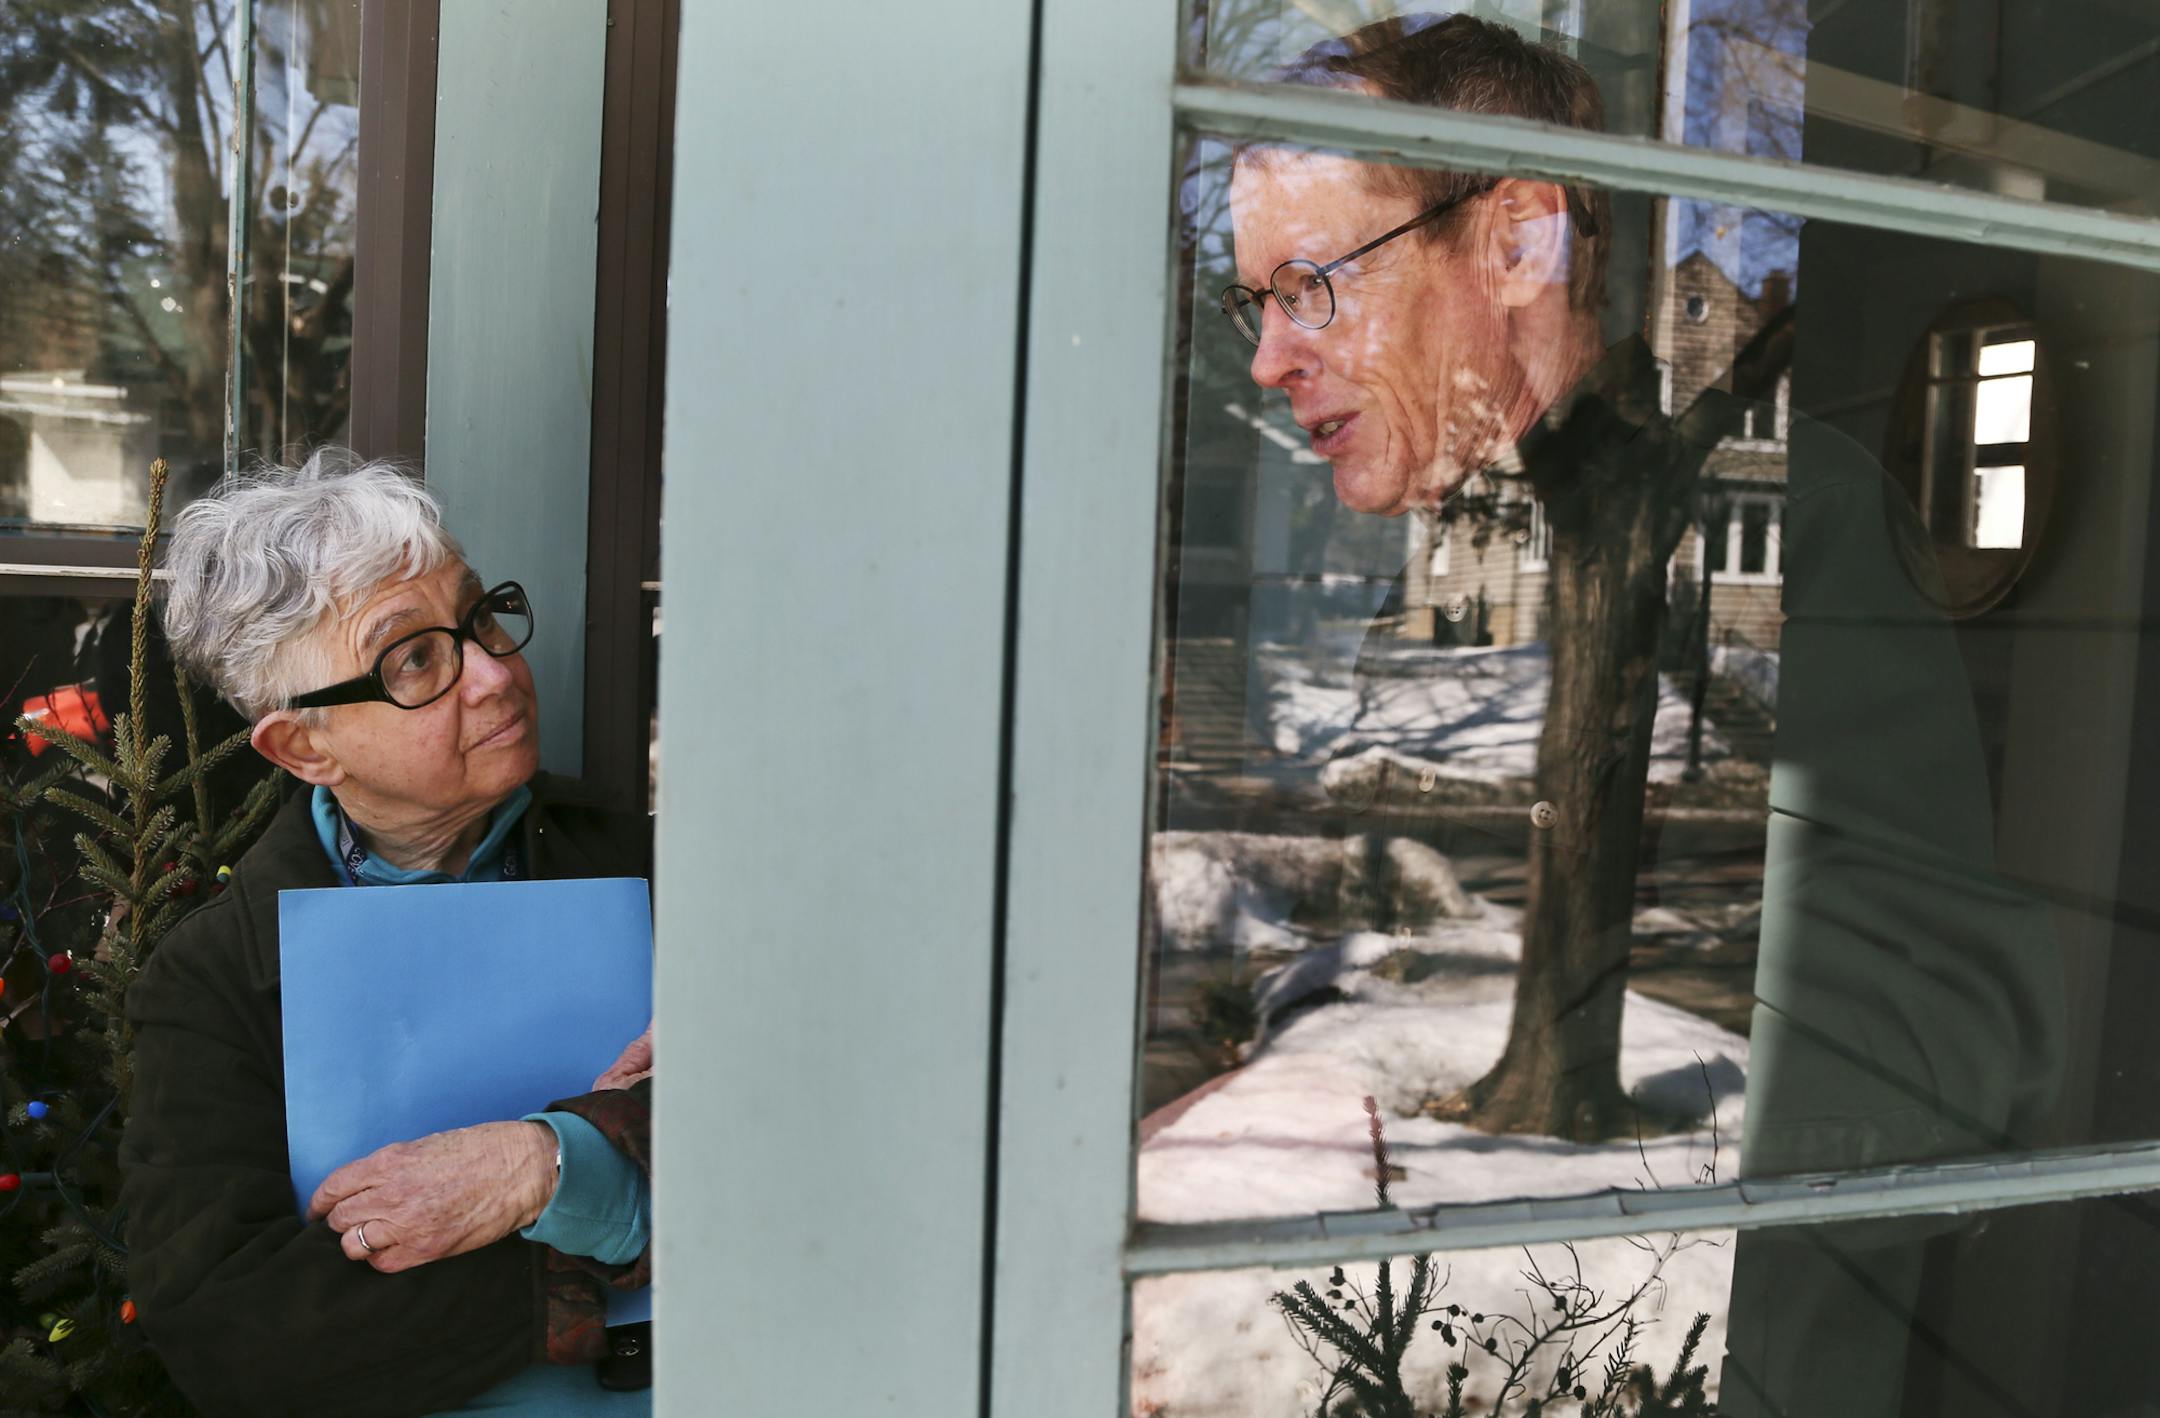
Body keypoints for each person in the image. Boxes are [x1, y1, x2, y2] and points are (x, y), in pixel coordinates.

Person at [1219, 14, 2063, 1415]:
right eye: (1257, 301)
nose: (1268, 358)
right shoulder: (1376, 549)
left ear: (1517, 243)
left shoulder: (1796, 519)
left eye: (1309, 284)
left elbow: (1954, 1049)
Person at [119, 453, 654, 1415]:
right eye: (414, 658)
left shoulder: (664, 876)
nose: (494, 673)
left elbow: (812, 1120)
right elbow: (229, 1328)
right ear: (303, 746)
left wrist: (542, 1166)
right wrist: (587, 1254)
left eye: (480, 616)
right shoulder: (215, 977)